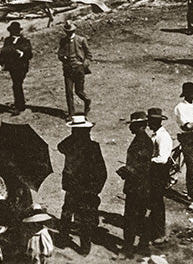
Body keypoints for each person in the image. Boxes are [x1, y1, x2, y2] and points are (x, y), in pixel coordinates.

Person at [56, 115, 106, 255]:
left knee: (69, 213)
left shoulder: (72, 145)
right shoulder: (92, 146)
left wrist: (93, 190)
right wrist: (95, 190)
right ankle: (83, 247)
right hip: (83, 189)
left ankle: (65, 239)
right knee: (81, 216)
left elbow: (60, 146)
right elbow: (102, 171)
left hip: (78, 188)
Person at [118, 111, 155, 257]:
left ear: (139, 126)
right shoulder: (143, 140)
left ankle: (129, 248)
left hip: (137, 186)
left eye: (132, 125)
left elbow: (141, 167)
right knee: (140, 217)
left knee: (131, 217)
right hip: (142, 186)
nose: (130, 128)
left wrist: (126, 171)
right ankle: (142, 246)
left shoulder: (142, 142)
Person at [146, 108, 173, 245]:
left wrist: (147, 161)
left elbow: (162, 158)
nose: (149, 124)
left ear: (156, 122)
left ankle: (159, 233)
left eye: (151, 121)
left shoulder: (163, 137)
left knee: (157, 203)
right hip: (154, 173)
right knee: (154, 202)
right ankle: (154, 230)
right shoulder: (156, 135)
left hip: (159, 173)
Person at [57, 20, 91, 117]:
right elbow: (59, 53)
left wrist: (84, 65)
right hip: (68, 70)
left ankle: (87, 100)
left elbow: (89, 54)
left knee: (79, 91)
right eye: (67, 32)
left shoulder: (81, 40)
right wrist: (62, 57)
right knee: (69, 92)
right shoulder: (63, 41)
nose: (69, 33)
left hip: (79, 69)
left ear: (74, 31)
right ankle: (71, 114)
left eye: (71, 31)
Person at [0, 22, 32, 114]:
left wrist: (22, 54)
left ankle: (19, 106)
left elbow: (30, 55)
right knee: (16, 84)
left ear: (18, 31)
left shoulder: (25, 41)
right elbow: (3, 53)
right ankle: (20, 104)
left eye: (15, 31)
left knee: (17, 84)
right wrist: (0, 64)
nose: (13, 33)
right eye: (12, 31)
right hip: (12, 67)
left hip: (22, 67)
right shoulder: (7, 41)